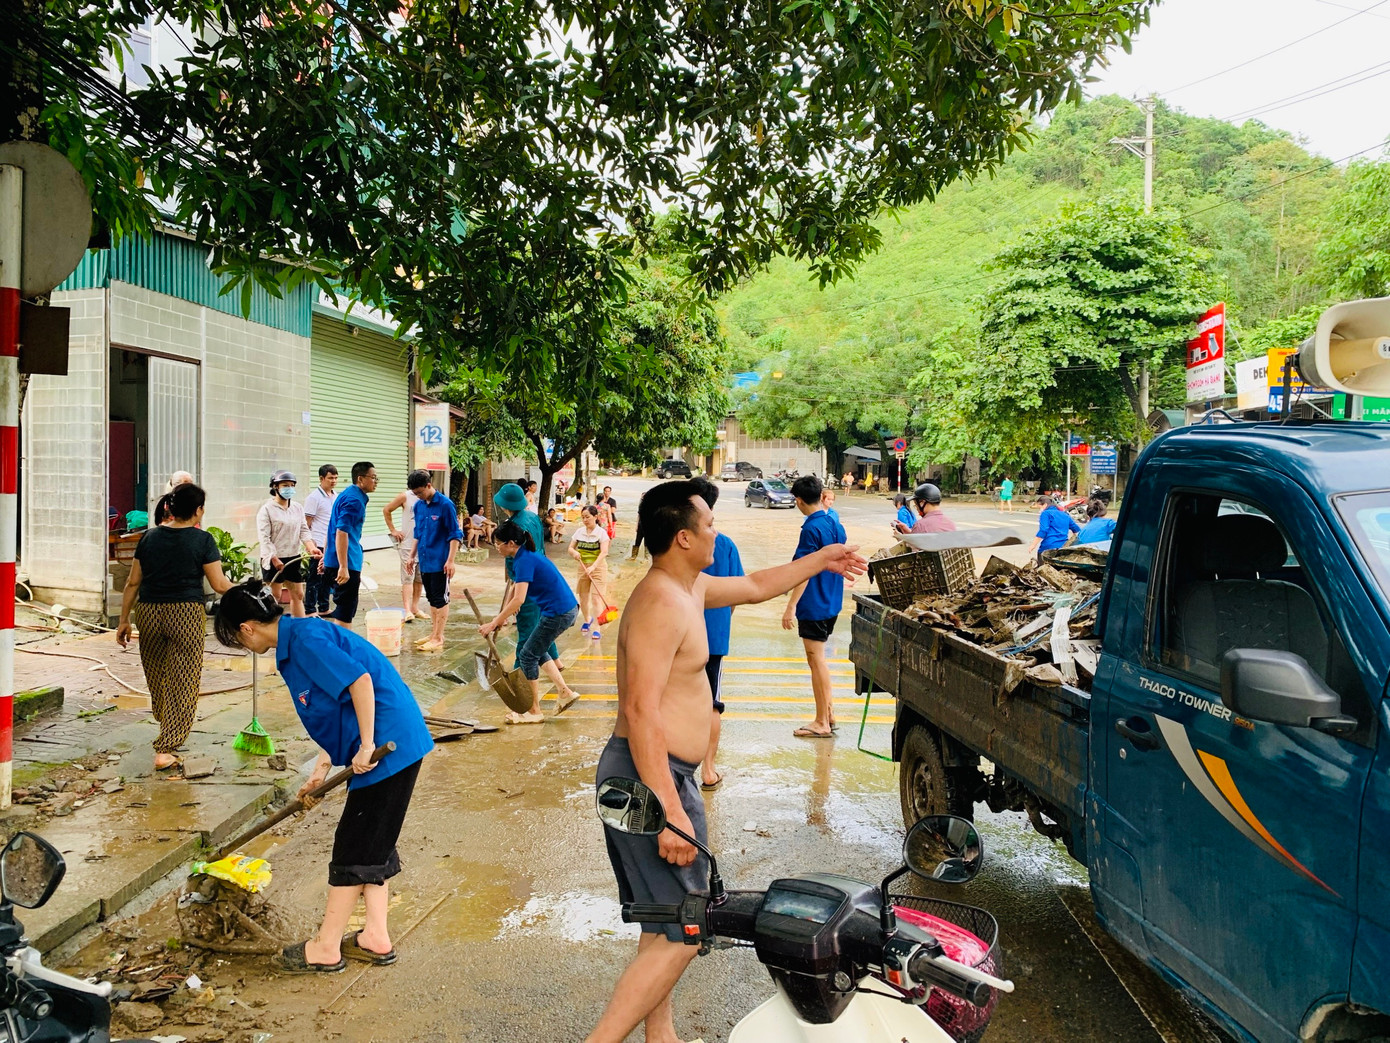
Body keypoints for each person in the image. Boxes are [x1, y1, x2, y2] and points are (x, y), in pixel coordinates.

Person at [585, 480, 865, 1043]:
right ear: (685, 537)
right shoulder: (660, 602)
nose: (717, 531)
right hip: (648, 780)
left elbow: (760, 584)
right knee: (687, 926)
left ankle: (658, 1033)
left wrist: (824, 558)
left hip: (665, 775)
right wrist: (672, 812)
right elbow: (640, 713)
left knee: (664, 920)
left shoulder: (688, 586)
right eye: (710, 524)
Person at [213, 580, 433, 974]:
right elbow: (331, 712)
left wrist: (366, 745)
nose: (240, 643)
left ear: (246, 628)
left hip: (387, 748)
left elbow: (359, 682)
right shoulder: (294, 639)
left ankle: (326, 948)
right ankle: (375, 938)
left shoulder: (306, 642)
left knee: (353, 850)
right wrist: (320, 773)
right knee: (373, 846)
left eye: (234, 636)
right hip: (389, 743)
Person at [116, 483, 232, 771]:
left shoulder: (149, 537)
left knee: (157, 674)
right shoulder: (202, 541)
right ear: (198, 510)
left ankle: (165, 722)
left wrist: (123, 620)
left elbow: (132, 582)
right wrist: (247, 592)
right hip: (185, 613)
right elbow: (219, 585)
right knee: (184, 679)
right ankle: (166, 747)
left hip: (148, 612)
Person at [479, 520, 581, 723]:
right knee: (536, 648)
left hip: (558, 612)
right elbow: (516, 588)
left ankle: (534, 711)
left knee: (527, 656)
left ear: (510, 543)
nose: (496, 547)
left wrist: (494, 623)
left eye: (498, 543)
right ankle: (564, 691)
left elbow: (520, 599)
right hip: (563, 609)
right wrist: (501, 618)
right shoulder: (523, 557)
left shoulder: (524, 560)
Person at [781, 475, 850, 740]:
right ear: (821, 495)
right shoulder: (834, 521)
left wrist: (790, 606)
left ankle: (822, 720)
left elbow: (803, 571)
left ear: (798, 501)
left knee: (816, 659)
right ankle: (828, 713)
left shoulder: (810, 529)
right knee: (819, 659)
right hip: (832, 601)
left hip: (815, 603)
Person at [693, 477, 743, 791]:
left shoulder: (678, 539)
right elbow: (738, 593)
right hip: (713, 637)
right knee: (712, 703)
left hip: (678, 635)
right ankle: (708, 770)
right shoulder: (725, 544)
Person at [493, 483, 566, 675]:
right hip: (541, 579)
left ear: (503, 505)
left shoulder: (512, 527)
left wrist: (514, 589)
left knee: (526, 631)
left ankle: (521, 674)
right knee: (542, 625)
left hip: (526, 582)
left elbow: (516, 561)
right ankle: (556, 661)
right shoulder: (533, 517)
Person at [404, 469, 463, 653]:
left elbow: (455, 534)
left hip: (441, 561)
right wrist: (412, 556)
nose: (418, 496)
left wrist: (451, 560)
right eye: (415, 494)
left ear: (429, 485)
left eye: (420, 492)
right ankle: (433, 634)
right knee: (431, 598)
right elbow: (418, 533)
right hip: (425, 560)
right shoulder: (419, 506)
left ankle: (439, 637)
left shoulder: (446, 505)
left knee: (440, 599)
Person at [323, 462, 378, 627]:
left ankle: (339, 647)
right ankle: (340, 649)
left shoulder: (347, 494)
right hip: (346, 562)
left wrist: (326, 557)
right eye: (373, 477)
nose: (375, 481)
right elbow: (341, 531)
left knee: (343, 608)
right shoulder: (354, 500)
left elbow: (331, 527)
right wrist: (343, 566)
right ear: (360, 479)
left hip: (336, 559)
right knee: (345, 612)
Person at [255, 470, 318, 617]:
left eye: (291, 485)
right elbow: (264, 537)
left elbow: (303, 529)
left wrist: (311, 547)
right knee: (274, 596)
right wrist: (274, 558)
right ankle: (271, 627)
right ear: (275, 487)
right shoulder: (266, 510)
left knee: (298, 594)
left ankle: (299, 626)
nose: (289, 488)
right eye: (285, 485)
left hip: (293, 557)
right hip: (273, 559)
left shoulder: (297, 508)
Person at [382, 484, 426, 622]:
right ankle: (407, 610)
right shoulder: (405, 496)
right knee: (408, 577)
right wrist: (393, 530)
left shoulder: (428, 496)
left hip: (423, 544)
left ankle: (415, 607)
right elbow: (387, 509)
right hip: (407, 544)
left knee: (419, 578)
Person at [569, 505, 612, 639]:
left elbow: (604, 552)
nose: (585, 520)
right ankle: (588, 620)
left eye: (588, 517)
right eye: (583, 517)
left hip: (598, 568)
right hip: (582, 566)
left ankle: (597, 628)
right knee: (583, 596)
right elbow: (570, 548)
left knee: (596, 598)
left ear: (595, 517)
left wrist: (593, 567)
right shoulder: (579, 532)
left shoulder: (601, 533)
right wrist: (574, 553)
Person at [303, 465, 339, 617]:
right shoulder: (314, 498)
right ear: (321, 478)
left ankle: (324, 607)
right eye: (330, 478)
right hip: (317, 544)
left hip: (330, 543)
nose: (333, 481)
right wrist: (309, 544)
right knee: (314, 577)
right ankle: (310, 609)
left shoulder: (335, 495)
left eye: (336, 478)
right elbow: (306, 523)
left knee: (327, 578)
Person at [1030, 494, 1081, 563]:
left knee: (1042, 570)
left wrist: (1033, 545)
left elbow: (1043, 530)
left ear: (1044, 505)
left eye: (1040, 507)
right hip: (1063, 549)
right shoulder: (1065, 514)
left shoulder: (1046, 513)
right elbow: (1077, 530)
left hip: (1048, 548)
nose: (1040, 509)